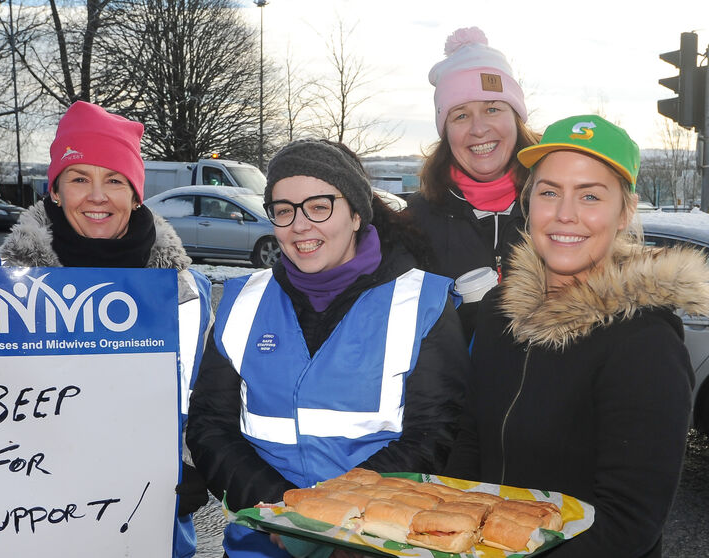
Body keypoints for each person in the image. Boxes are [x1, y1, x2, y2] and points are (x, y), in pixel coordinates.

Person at [0, 101, 213, 558]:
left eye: (114, 179)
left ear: (135, 193)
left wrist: (193, 465)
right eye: (78, 179)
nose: (96, 196)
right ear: (54, 191)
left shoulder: (187, 292)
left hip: (146, 529)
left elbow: (213, 407)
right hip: (30, 527)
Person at [186, 139, 472, 557]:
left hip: (375, 543)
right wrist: (284, 512)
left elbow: (434, 436)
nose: (300, 225)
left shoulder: (421, 302)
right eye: (284, 210)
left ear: (356, 213)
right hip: (261, 541)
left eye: (319, 206)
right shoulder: (242, 301)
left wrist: (329, 520)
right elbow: (211, 427)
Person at [445, 114, 709, 557]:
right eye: (550, 192)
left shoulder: (645, 342)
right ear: (529, 203)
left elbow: (628, 524)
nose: (565, 214)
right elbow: (472, 443)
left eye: (589, 195)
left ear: (625, 212)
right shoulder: (497, 313)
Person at [406, 26, 539, 339]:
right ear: (446, 130)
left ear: (516, 119)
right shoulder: (412, 224)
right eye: (461, 115)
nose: (479, 129)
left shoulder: (555, 208)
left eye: (492, 109)